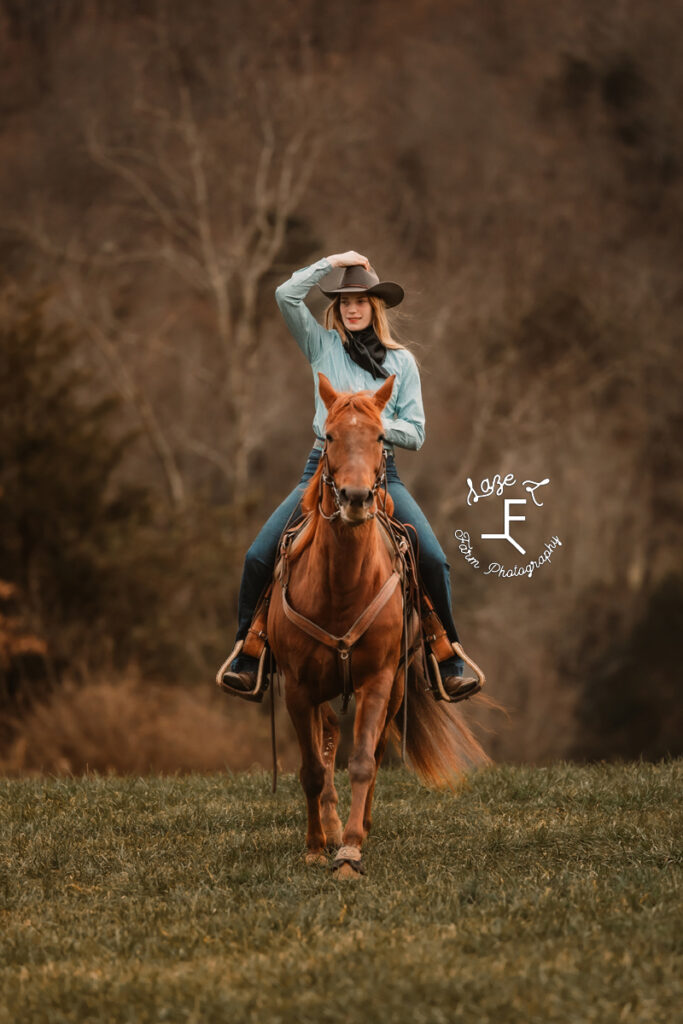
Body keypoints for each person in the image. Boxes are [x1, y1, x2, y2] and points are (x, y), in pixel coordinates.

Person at [221, 251, 475, 701]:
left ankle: (446, 654)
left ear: (375, 306)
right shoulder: (322, 346)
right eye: (343, 302)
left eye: (360, 301)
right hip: (321, 470)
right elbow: (284, 295)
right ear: (336, 309)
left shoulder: (402, 364)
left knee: (432, 558)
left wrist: (367, 425)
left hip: (381, 475)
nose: (351, 309)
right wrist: (330, 261)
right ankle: (249, 651)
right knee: (258, 556)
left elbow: (416, 433)